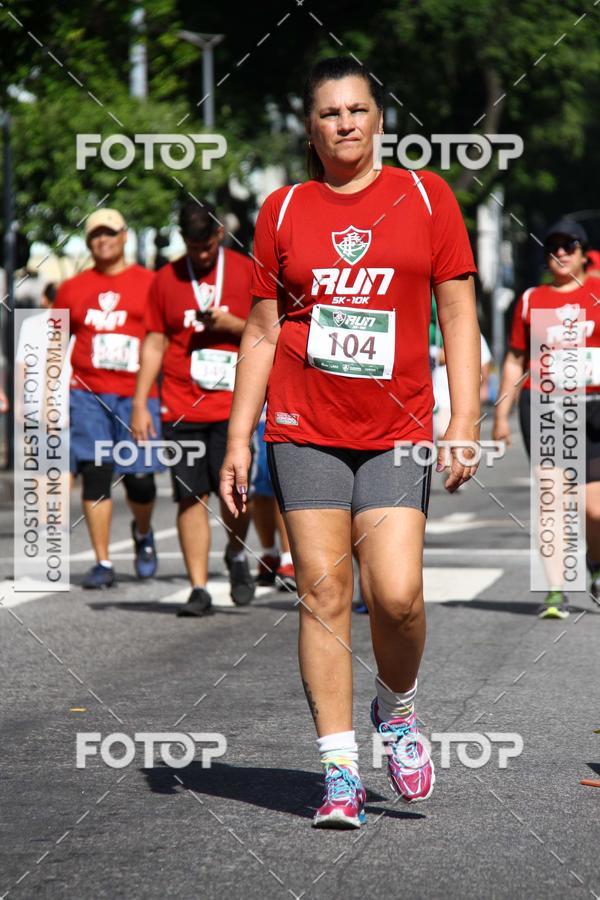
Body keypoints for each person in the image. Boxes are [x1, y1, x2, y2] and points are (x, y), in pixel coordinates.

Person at [220, 56, 480, 829]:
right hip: (304, 426)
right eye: (330, 112)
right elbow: (263, 331)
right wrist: (240, 438)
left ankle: (396, 713)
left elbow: (459, 315)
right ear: (311, 126)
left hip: (398, 427)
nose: (345, 123)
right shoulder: (285, 209)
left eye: (358, 110)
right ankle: (337, 771)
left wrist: (462, 419)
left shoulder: (426, 196)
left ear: (378, 118)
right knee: (324, 593)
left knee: (396, 596)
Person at [132, 200, 255, 617]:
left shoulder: (243, 270)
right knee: (189, 497)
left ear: (219, 234)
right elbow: (153, 341)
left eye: (206, 244)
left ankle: (236, 554)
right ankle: (199, 587)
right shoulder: (165, 278)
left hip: (234, 406)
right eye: (193, 245)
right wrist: (140, 402)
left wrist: (230, 324)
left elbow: (267, 329)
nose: (201, 253)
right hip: (181, 406)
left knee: (235, 494)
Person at [494, 218, 600, 619]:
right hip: (545, 406)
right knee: (552, 501)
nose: (559, 253)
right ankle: (556, 589)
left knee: (594, 510)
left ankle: (594, 562)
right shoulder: (532, 299)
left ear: (583, 252)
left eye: (568, 246)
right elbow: (515, 359)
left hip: (594, 407)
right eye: (552, 247)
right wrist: (501, 415)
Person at [53, 208, 161, 588]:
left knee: (141, 481)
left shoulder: (150, 283)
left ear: (124, 237)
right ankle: (102, 561)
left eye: (110, 233)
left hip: (137, 396)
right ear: (88, 241)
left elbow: (160, 339)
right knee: (95, 475)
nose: (103, 240)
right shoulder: (72, 288)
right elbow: (53, 342)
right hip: (87, 395)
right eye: (96, 235)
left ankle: (143, 534)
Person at [251, 406, 296, 591]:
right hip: (259, 410)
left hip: (289, 410)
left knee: (282, 483)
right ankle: (270, 554)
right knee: (260, 486)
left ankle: (289, 559)